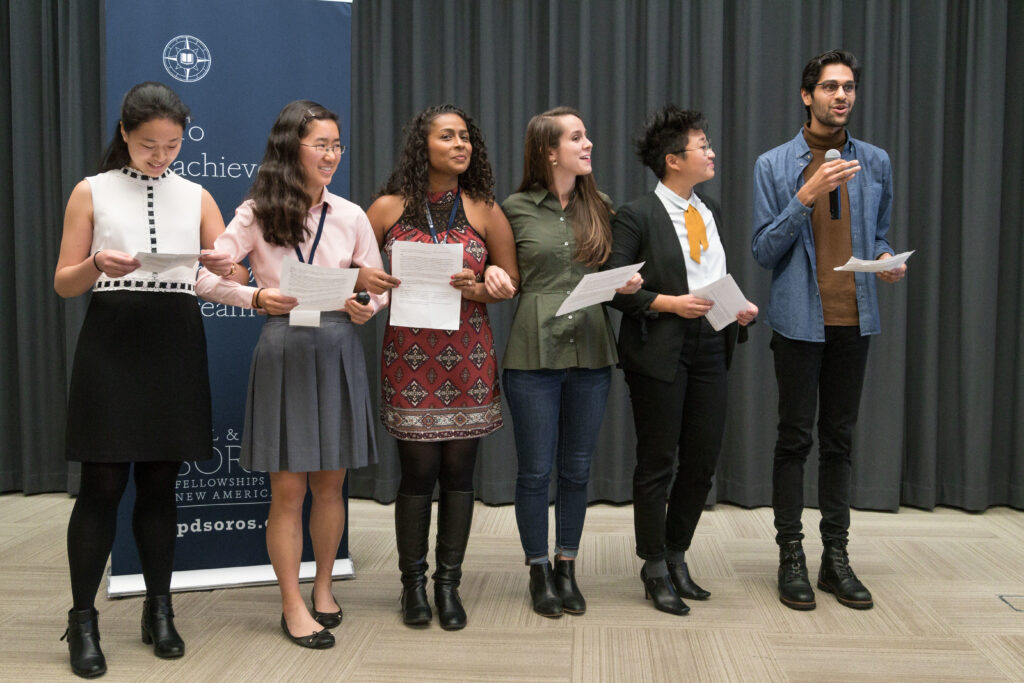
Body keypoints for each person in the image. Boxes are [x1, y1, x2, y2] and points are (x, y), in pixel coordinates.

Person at [54, 81, 236, 677]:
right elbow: (64, 283)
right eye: (148, 144)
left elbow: (216, 276)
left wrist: (227, 268)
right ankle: (83, 619)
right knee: (101, 483)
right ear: (126, 136)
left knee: (162, 483)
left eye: (172, 144)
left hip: (174, 340)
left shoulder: (197, 194)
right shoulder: (92, 191)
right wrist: (93, 264)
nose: (161, 156)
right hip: (112, 338)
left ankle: (161, 609)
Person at [196, 100, 385, 647]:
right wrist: (257, 295)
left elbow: (371, 287)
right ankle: (291, 603)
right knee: (288, 492)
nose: (331, 155)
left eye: (336, 145)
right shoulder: (256, 212)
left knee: (332, 486)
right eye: (320, 144)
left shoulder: (350, 215)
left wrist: (364, 304)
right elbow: (207, 277)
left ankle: (324, 585)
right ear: (291, 147)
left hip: (338, 347)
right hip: (285, 347)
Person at [751, 49, 907, 612]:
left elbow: (881, 233)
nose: (840, 96)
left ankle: (834, 559)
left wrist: (887, 258)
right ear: (806, 95)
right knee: (794, 439)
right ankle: (789, 555)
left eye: (848, 88)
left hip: (855, 319)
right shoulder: (774, 165)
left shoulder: (877, 161)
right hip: (798, 323)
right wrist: (804, 197)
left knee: (840, 442)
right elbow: (764, 250)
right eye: (829, 87)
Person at [364, 104, 517, 631]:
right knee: (417, 473)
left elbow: (507, 280)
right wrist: (370, 284)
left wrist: (486, 285)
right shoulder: (385, 209)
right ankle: (412, 586)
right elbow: (353, 277)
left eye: (466, 137)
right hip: (408, 361)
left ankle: (447, 586)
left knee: (458, 474)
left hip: (468, 360)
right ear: (421, 146)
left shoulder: (484, 209)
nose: (461, 145)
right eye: (448, 136)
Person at [606, 105, 758, 616]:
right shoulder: (637, 214)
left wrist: (739, 308)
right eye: (702, 147)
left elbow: (713, 277)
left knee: (701, 461)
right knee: (657, 463)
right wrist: (667, 303)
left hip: (713, 344)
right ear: (673, 160)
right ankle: (652, 564)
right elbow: (615, 289)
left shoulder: (707, 210)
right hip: (660, 349)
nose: (712, 153)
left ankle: (677, 554)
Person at [501, 107, 641, 618]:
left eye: (586, 136)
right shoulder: (513, 208)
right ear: (547, 150)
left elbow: (611, 270)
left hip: (592, 348)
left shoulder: (600, 204)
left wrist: (625, 281)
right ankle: (538, 569)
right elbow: (504, 276)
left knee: (578, 469)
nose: (587, 145)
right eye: (576, 137)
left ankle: (567, 565)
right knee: (536, 471)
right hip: (532, 350)